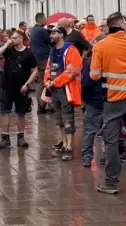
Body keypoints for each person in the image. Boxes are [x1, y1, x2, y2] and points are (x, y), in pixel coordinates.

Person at [90, 12, 126, 194]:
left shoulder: (101, 45)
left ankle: (112, 182)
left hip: (112, 100)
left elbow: (94, 75)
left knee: (111, 141)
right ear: (122, 25)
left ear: (109, 26)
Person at [0, 30, 38, 149]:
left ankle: (21, 136)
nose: (12, 39)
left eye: (14, 38)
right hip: (7, 86)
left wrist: (27, 84)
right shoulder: (9, 50)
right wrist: (6, 45)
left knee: (21, 113)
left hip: (21, 87)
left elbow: (34, 71)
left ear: (21, 39)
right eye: (11, 37)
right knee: (4, 112)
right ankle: (5, 137)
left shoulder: (28, 53)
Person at [44, 27, 82, 162]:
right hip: (54, 89)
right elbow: (48, 68)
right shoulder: (53, 51)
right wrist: (48, 80)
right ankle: (64, 143)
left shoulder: (71, 50)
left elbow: (72, 71)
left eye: (53, 33)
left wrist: (55, 82)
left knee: (67, 118)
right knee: (59, 119)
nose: (51, 35)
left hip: (66, 89)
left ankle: (69, 147)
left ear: (61, 35)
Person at [81, 35, 105, 167]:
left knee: (90, 130)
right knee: (110, 131)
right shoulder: (112, 60)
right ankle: (108, 155)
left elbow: (86, 83)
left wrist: (85, 99)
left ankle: (87, 157)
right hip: (109, 100)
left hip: (94, 101)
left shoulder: (90, 62)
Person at [30, 13, 51, 114]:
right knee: (43, 82)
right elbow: (50, 41)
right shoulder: (42, 30)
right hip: (43, 58)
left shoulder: (33, 30)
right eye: (45, 19)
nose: (46, 20)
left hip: (36, 58)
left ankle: (42, 105)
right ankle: (42, 105)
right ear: (42, 19)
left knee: (40, 82)